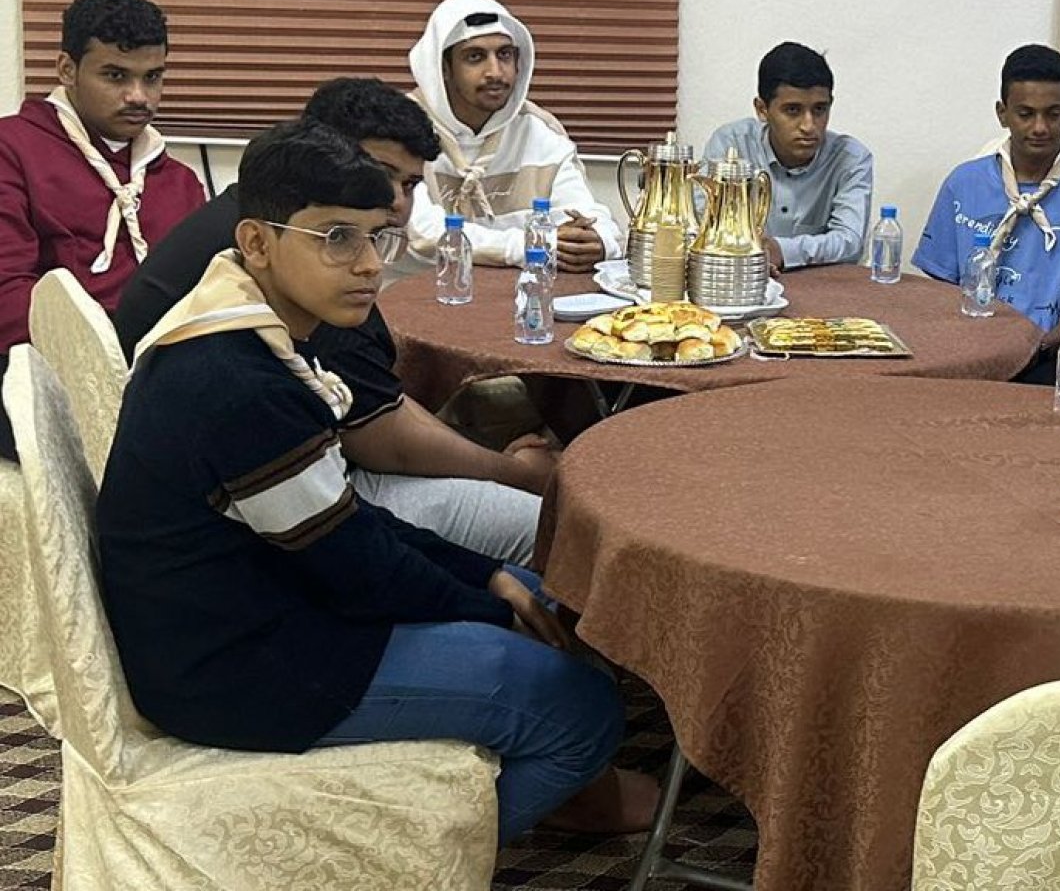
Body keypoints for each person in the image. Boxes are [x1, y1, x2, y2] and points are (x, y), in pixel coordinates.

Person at [98, 120, 654, 841]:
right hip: (236, 665)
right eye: (336, 238)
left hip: (266, 604)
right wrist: (489, 612)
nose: (368, 265)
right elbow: (354, 568)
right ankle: (410, 859)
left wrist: (487, 577)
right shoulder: (236, 382)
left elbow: (343, 521)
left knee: (548, 602)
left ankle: (534, 778)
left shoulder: (245, 324)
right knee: (583, 708)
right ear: (257, 242)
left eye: (376, 237)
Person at [112, 78, 545, 565]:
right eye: (379, 174)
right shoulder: (295, 269)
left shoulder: (266, 220)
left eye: (409, 185)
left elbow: (378, 401)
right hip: (245, 517)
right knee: (550, 525)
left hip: (247, 473)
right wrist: (517, 475)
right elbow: (381, 442)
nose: (395, 202)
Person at [0, 0, 205, 459]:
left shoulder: (179, 182)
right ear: (66, 69)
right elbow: (7, 299)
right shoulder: (12, 149)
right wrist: (113, 358)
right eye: (115, 76)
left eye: (153, 77)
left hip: (160, 373)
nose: (139, 97)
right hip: (40, 374)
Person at [915, 44, 1060, 382]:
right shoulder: (963, 184)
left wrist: (1033, 350)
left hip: (1051, 356)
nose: (1039, 127)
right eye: (1025, 114)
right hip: (969, 349)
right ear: (1002, 113)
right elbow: (940, 291)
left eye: (1053, 113)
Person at [404, 0, 621, 272]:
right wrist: (528, 246)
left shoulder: (539, 130)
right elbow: (423, 234)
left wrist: (598, 241)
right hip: (419, 290)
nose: (495, 72)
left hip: (521, 291)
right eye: (475, 57)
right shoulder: (402, 127)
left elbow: (590, 216)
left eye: (504, 54)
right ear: (443, 67)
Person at [704, 41, 874, 272]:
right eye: (793, 110)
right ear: (762, 109)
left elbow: (850, 243)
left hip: (823, 287)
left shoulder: (851, 159)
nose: (809, 126)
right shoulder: (731, 146)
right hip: (742, 280)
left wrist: (782, 251)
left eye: (819, 109)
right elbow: (704, 223)